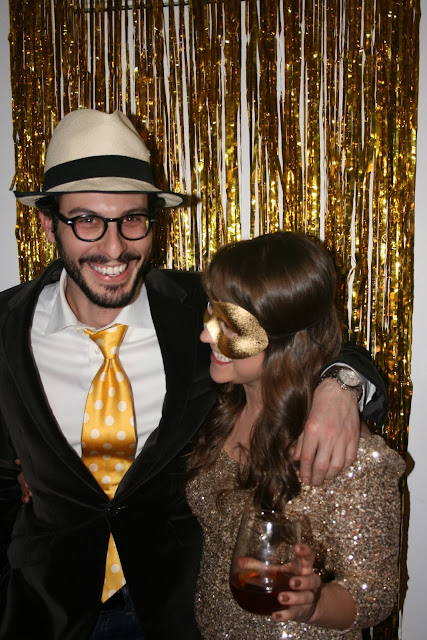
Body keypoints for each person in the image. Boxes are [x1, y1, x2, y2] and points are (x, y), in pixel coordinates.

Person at [0, 109, 387, 640]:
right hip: (46, 612)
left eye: (132, 219)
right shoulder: (5, 330)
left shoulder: (198, 313)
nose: (114, 247)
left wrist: (342, 384)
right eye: (87, 220)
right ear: (48, 223)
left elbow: (304, 332)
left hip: (179, 614)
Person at [185, 231, 405, 639]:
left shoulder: (346, 450)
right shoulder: (215, 409)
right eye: (210, 314)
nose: (205, 336)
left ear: (285, 339)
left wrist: (314, 604)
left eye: (230, 327)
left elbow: (375, 593)